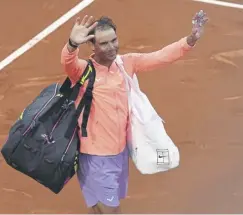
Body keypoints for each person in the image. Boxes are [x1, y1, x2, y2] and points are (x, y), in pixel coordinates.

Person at [61, 11, 208, 214]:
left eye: (114, 40)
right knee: (111, 210)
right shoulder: (84, 71)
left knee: (99, 209)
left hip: (120, 152)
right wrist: (71, 45)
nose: (111, 47)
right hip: (95, 157)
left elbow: (160, 57)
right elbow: (68, 63)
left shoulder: (126, 63)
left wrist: (190, 40)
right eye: (104, 43)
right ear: (92, 46)